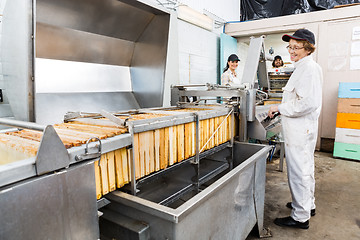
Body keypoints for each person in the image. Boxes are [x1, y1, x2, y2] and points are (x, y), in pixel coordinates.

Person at [267, 29, 323, 229]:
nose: (291, 51)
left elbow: (308, 103)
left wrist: (279, 108)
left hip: (301, 130)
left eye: (296, 47)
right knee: (306, 168)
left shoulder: (308, 68)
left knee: (299, 171)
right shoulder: (302, 67)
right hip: (303, 128)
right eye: (290, 47)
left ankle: (300, 216)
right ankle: (308, 205)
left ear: (308, 49)